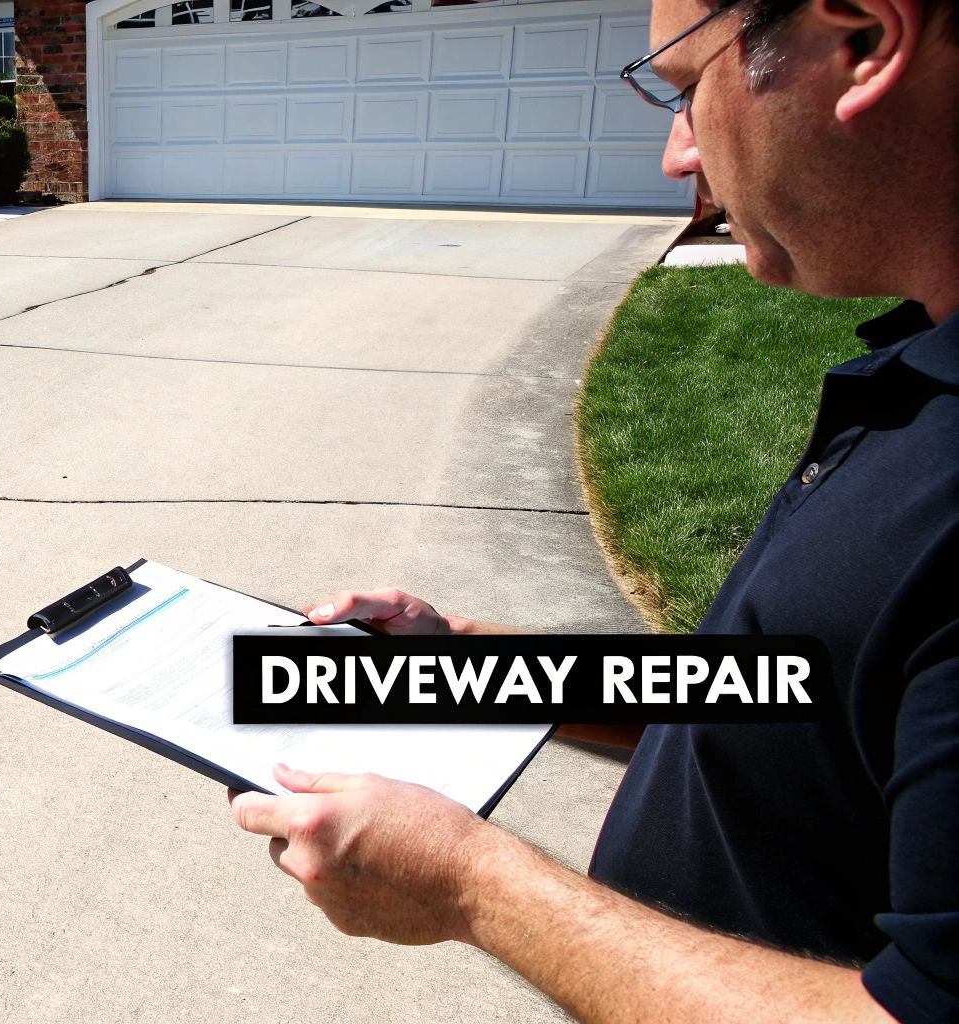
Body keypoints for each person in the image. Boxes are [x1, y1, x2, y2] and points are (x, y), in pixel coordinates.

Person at [227, 0, 959, 1018]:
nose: (674, 156)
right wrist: (471, 665)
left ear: (862, 42)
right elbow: (786, 687)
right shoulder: (916, 385)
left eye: (681, 92)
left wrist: (470, 882)